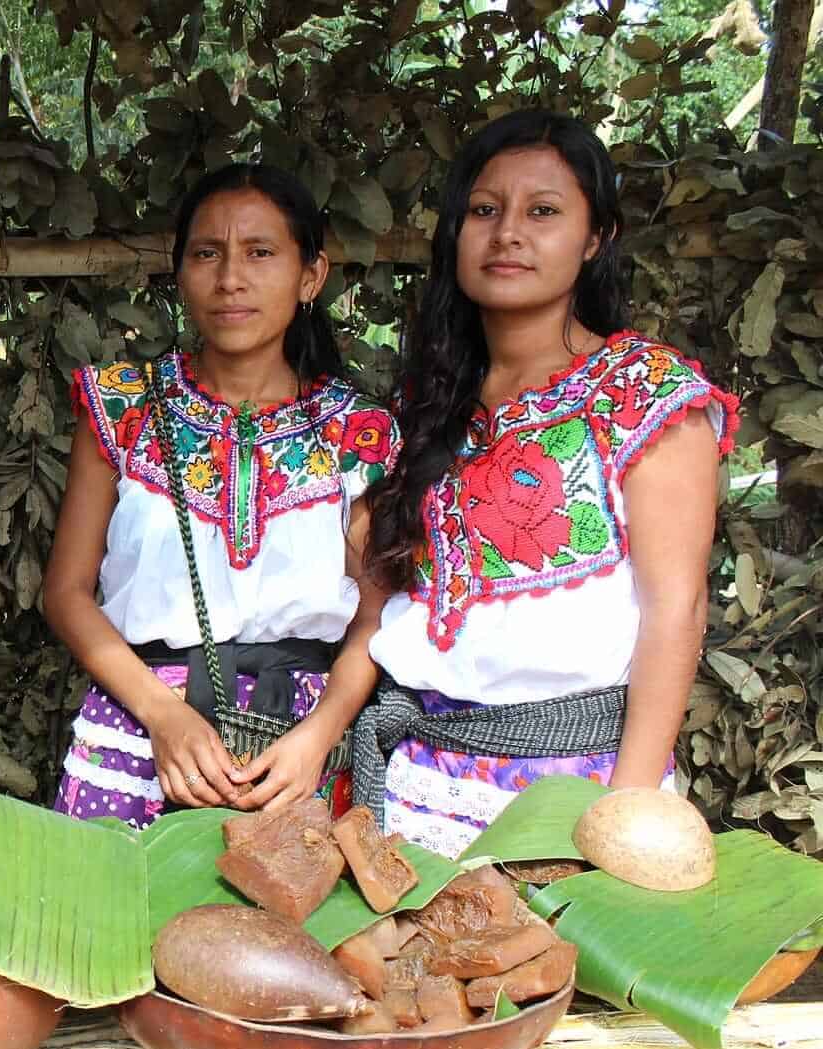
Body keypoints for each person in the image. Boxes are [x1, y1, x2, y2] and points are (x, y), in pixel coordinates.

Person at [357, 109, 739, 856]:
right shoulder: (428, 408)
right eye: (484, 210)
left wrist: (622, 817)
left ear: (595, 239)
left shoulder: (644, 392)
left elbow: (677, 609)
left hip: (576, 790)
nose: (508, 233)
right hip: (418, 783)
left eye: (543, 211)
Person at [43, 164, 400, 827]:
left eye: (260, 253)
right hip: (139, 733)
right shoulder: (122, 408)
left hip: (296, 757)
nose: (230, 277)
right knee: (115, 928)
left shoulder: (356, 434)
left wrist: (319, 738)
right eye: (208, 253)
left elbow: (373, 621)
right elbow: (66, 592)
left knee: (298, 931)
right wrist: (161, 714)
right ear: (180, 273)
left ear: (310, 277)